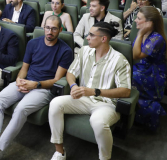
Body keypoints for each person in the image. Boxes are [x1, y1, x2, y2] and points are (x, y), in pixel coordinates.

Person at [0, 15, 73, 160]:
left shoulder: (65, 51)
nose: (50, 31)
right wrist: (19, 79)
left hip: (43, 89)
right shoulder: (33, 43)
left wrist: (35, 84)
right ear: (44, 28)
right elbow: (24, 68)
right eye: (48, 28)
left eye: (54, 29)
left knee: (20, 109)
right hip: (25, 82)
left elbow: (56, 79)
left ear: (60, 29)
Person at [49, 21, 131, 160]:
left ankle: (104, 158)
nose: (87, 37)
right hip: (83, 99)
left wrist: (95, 91)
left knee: (97, 121)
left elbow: (125, 91)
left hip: (106, 104)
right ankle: (59, 152)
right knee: (55, 103)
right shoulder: (84, 51)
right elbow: (70, 73)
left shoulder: (119, 60)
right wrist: (73, 86)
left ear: (103, 39)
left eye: (91, 35)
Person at [133, 6, 167, 131]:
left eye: (139, 18)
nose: (135, 21)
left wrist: (140, 33)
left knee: (130, 76)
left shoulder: (156, 38)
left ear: (149, 22)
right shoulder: (144, 34)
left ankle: (148, 109)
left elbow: (136, 55)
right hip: (140, 66)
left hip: (152, 72)